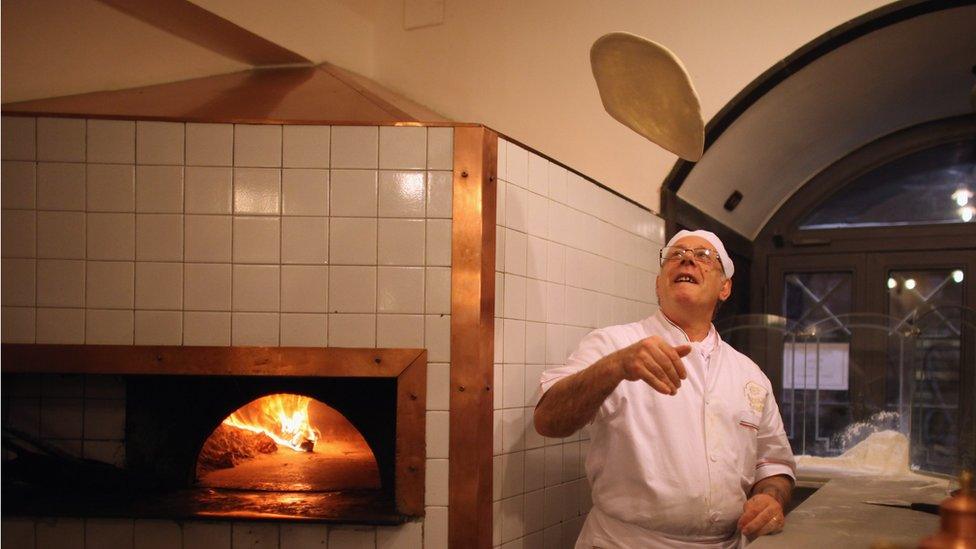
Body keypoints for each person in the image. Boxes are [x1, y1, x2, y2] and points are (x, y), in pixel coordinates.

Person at [534, 229, 795, 548]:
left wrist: (771, 498)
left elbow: (774, 464)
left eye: (704, 256)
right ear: (658, 284)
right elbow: (548, 420)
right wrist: (615, 366)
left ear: (724, 287)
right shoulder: (613, 344)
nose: (687, 258)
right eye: (675, 254)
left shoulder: (748, 374)